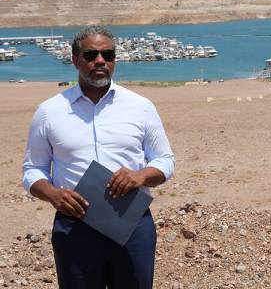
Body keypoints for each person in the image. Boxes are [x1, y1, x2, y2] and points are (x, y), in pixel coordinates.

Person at [22, 25, 175, 289]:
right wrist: (53, 194)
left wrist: (140, 176)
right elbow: (32, 169)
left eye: (109, 54)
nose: (101, 61)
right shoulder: (49, 111)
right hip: (74, 226)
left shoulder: (141, 107)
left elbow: (165, 160)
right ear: (75, 60)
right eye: (91, 55)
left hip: (132, 223)